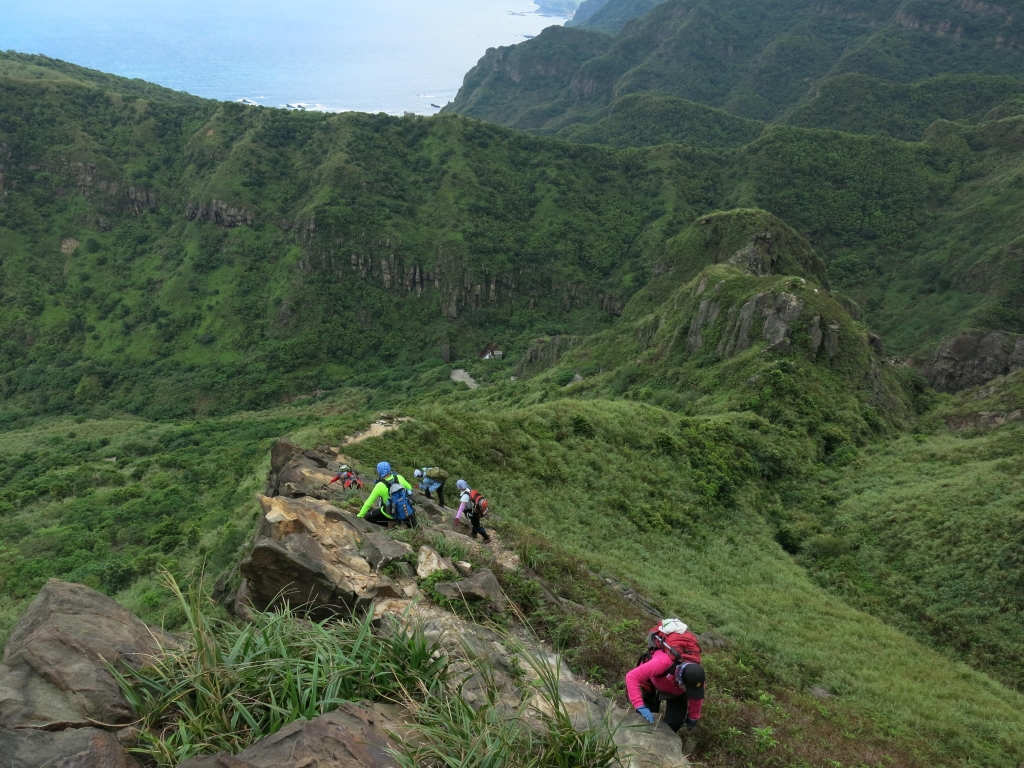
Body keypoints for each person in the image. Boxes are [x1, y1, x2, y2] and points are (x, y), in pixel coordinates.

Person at [625, 619, 705, 733]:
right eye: (688, 689)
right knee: (648, 713)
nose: (690, 692)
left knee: (675, 722)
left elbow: (697, 697)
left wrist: (694, 716)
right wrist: (639, 705)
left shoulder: (696, 677)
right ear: (682, 681)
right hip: (653, 679)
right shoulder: (662, 662)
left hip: (674, 689)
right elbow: (631, 677)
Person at [358, 461, 417, 528]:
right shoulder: (399, 477)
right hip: (405, 509)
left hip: (390, 513)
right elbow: (410, 488)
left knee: (368, 517)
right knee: (413, 525)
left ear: (379, 472)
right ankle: (400, 521)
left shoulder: (379, 485)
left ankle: (390, 525)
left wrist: (360, 515)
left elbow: (369, 502)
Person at [454, 478, 490, 543]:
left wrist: (457, 518)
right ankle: (474, 533)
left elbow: (461, 508)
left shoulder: (465, 496)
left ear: (459, 487)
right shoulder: (469, 489)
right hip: (475, 510)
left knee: (476, 526)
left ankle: (486, 537)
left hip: (473, 512)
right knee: (474, 523)